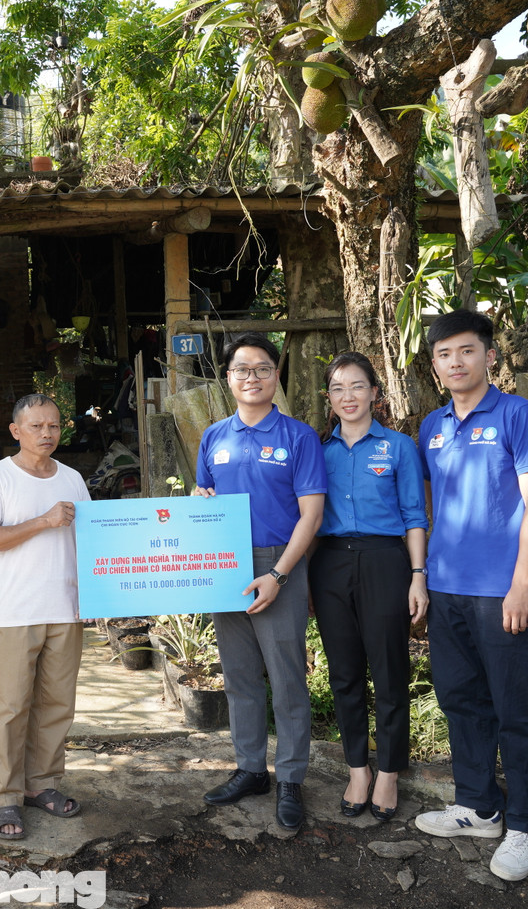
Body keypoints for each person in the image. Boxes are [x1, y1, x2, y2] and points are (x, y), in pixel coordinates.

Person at [413, 309, 528, 883]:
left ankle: (525, 824)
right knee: (461, 701)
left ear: (489, 355)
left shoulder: (520, 416)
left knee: (516, 712)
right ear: (434, 364)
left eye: (466, 351)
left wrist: (523, 583)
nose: (455, 362)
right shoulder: (432, 426)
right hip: (447, 590)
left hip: (502, 592)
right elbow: (429, 506)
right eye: (444, 355)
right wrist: (421, 576)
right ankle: (478, 806)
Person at [192, 332, 326, 832]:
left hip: (279, 563)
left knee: (287, 678)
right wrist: (199, 500)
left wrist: (277, 574)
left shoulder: (298, 437)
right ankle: (251, 769)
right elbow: (203, 493)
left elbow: (311, 516)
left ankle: (291, 777)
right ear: (228, 379)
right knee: (240, 677)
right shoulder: (214, 436)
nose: (252, 377)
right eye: (241, 370)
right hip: (224, 564)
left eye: (262, 368)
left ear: (276, 375)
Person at [308, 353, 429, 824]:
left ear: (375, 393)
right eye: (338, 388)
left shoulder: (399, 447)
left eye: (357, 386)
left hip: (385, 560)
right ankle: (357, 768)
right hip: (331, 563)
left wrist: (418, 575)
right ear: (329, 399)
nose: (348, 396)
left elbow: (416, 516)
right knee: (344, 674)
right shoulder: (319, 451)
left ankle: (390, 772)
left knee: (390, 669)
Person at [0, 393, 90, 841]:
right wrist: (42, 521)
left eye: (54, 426)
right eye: (36, 426)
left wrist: (93, 598)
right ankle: (6, 798)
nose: (47, 434)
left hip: (66, 607)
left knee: (57, 704)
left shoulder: (74, 479)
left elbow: (90, 543)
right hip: (18, 609)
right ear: (15, 431)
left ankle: (44, 785)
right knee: (12, 707)